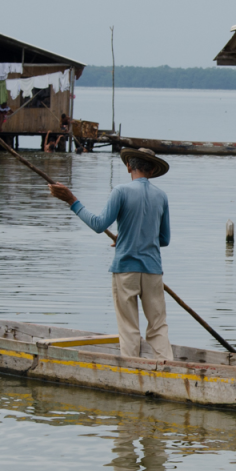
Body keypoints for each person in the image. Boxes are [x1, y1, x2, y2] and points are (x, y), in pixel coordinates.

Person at [48, 148, 173, 360]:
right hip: (152, 271)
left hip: (125, 270)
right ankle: (169, 369)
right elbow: (164, 239)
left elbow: (98, 225)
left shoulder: (121, 191)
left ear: (128, 167)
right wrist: (131, 238)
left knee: (128, 328)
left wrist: (72, 201)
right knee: (158, 327)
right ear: (151, 170)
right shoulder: (161, 196)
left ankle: (132, 372)